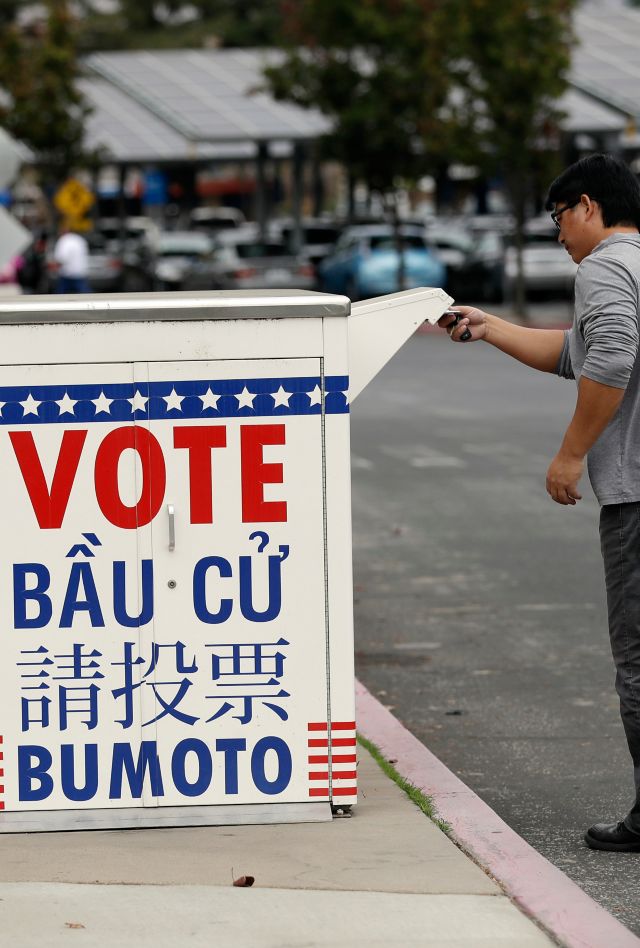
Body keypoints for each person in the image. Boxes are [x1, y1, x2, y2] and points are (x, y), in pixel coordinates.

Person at [439, 153, 640, 853]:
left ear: (588, 206)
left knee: (638, 656)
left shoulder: (605, 266)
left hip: (637, 492)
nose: (557, 236)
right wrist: (490, 326)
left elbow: (610, 358)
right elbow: (575, 354)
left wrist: (571, 453)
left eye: (558, 219)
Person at [52, 222, 90, 293]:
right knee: (84, 294)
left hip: (68, 273)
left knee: (61, 294)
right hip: (81, 272)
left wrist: (55, 266)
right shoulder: (80, 239)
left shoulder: (64, 240)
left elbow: (62, 258)